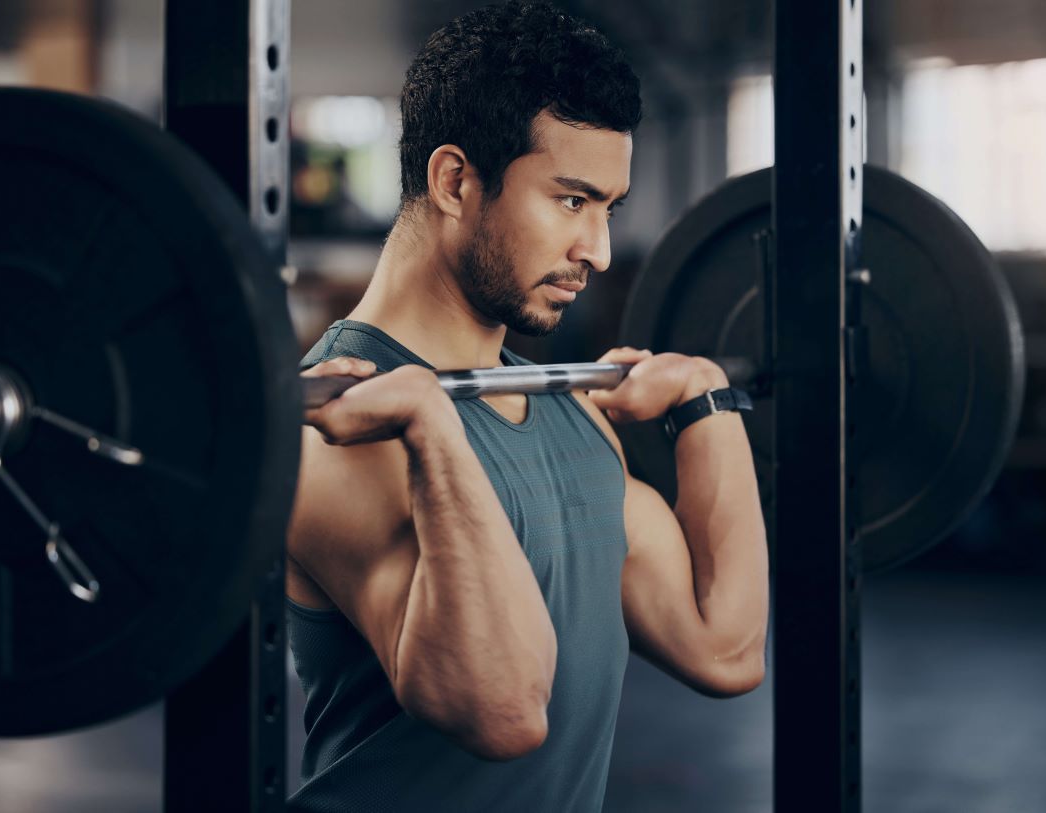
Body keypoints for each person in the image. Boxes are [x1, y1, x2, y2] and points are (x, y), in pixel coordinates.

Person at [285, 3, 769, 810]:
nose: (600, 251)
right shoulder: (344, 428)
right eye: (572, 200)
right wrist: (436, 434)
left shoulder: (573, 416)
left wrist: (706, 403)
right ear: (454, 180)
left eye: (607, 208)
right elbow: (503, 711)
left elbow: (724, 650)